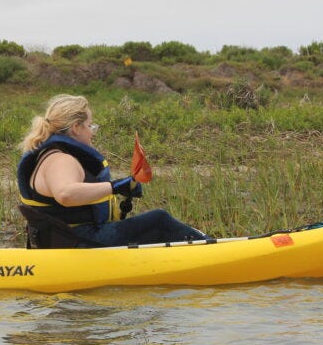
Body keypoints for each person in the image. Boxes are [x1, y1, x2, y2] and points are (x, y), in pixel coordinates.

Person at [17, 94, 204, 248]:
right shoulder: (61, 159)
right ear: (76, 128)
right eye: (90, 126)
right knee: (159, 219)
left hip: (66, 240)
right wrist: (114, 187)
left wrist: (123, 188)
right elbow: (65, 194)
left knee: (150, 223)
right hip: (77, 242)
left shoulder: (51, 155)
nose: (92, 132)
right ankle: (210, 248)